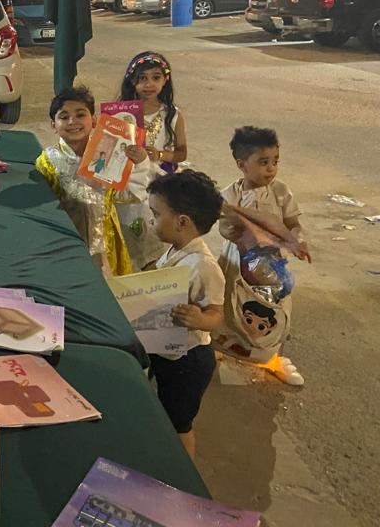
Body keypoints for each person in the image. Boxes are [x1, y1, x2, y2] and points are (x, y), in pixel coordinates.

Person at [213, 126, 307, 386]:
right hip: (236, 261)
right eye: (263, 162)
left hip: (273, 265)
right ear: (242, 164)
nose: (271, 169)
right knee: (232, 305)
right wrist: (231, 232)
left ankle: (273, 358)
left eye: (275, 161)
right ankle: (225, 348)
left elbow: (293, 223)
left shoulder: (281, 192)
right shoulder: (230, 195)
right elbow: (223, 226)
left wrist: (297, 240)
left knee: (275, 309)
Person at [146, 170, 226, 460]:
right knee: (163, 411)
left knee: (179, 425)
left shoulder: (203, 266)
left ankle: (184, 476)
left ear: (182, 222)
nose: (151, 221)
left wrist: (199, 320)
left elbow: (217, 313)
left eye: (156, 214)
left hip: (188, 361)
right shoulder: (174, 251)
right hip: (166, 351)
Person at [35, 86, 150, 276]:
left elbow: (127, 195)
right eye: (64, 117)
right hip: (67, 241)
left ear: (94, 120)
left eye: (80, 115)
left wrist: (140, 163)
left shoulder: (109, 153)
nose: (72, 122)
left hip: (106, 242)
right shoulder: (48, 161)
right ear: (53, 125)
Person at [115, 51, 185, 271]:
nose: (149, 84)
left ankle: (154, 271)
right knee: (127, 229)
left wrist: (160, 155)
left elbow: (181, 153)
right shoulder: (120, 113)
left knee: (154, 232)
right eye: (142, 78)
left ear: (166, 80)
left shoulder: (172, 115)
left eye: (156, 77)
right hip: (127, 176)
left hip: (157, 180)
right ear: (132, 81)